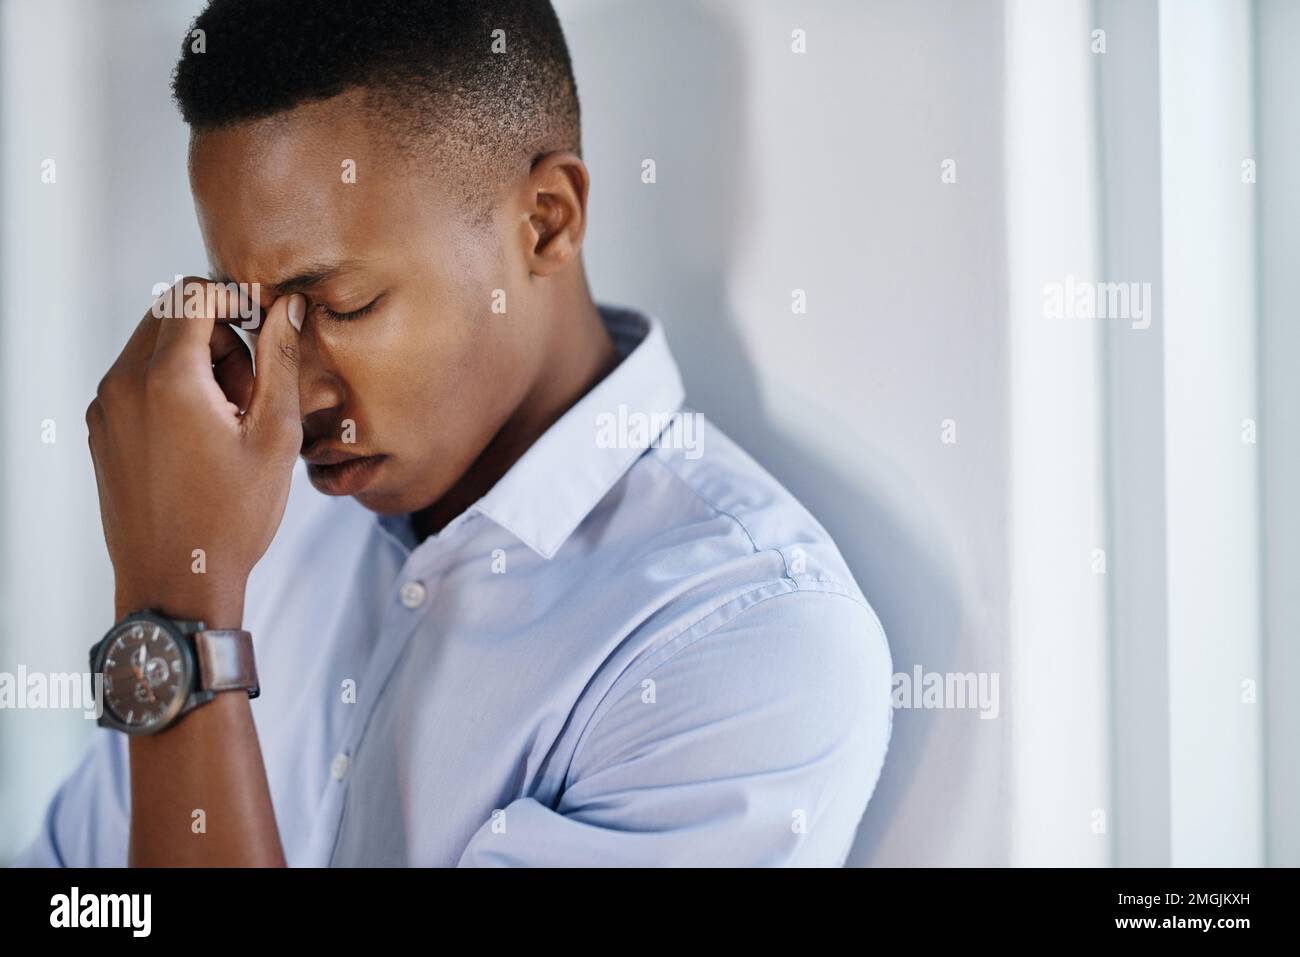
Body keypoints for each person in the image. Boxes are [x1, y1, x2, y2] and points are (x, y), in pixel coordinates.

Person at [14, 0, 892, 867]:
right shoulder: (248, 518)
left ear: (546, 220)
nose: (289, 396)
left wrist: (180, 619)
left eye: (341, 306)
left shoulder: (750, 645)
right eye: (253, 316)